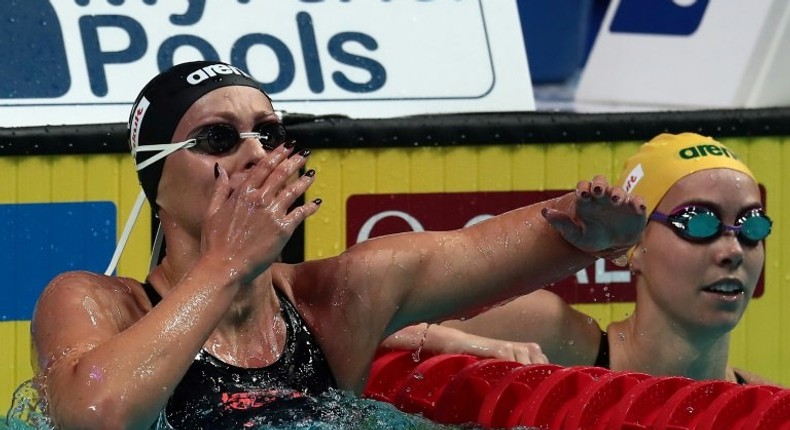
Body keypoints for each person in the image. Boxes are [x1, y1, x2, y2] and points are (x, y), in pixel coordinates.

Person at [30, 60, 646, 429]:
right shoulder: (94, 305)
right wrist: (226, 264)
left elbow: (476, 251)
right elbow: (93, 415)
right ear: (158, 181)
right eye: (218, 138)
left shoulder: (333, 302)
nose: (257, 154)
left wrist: (582, 231)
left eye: (270, 134)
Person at [387, 132, 777, 385]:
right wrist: (456, 342)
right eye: (698, 223)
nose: (732, 251)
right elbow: (356, 319)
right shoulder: (547, 334)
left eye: (752, 227)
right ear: (635, 245)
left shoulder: (762, 403)